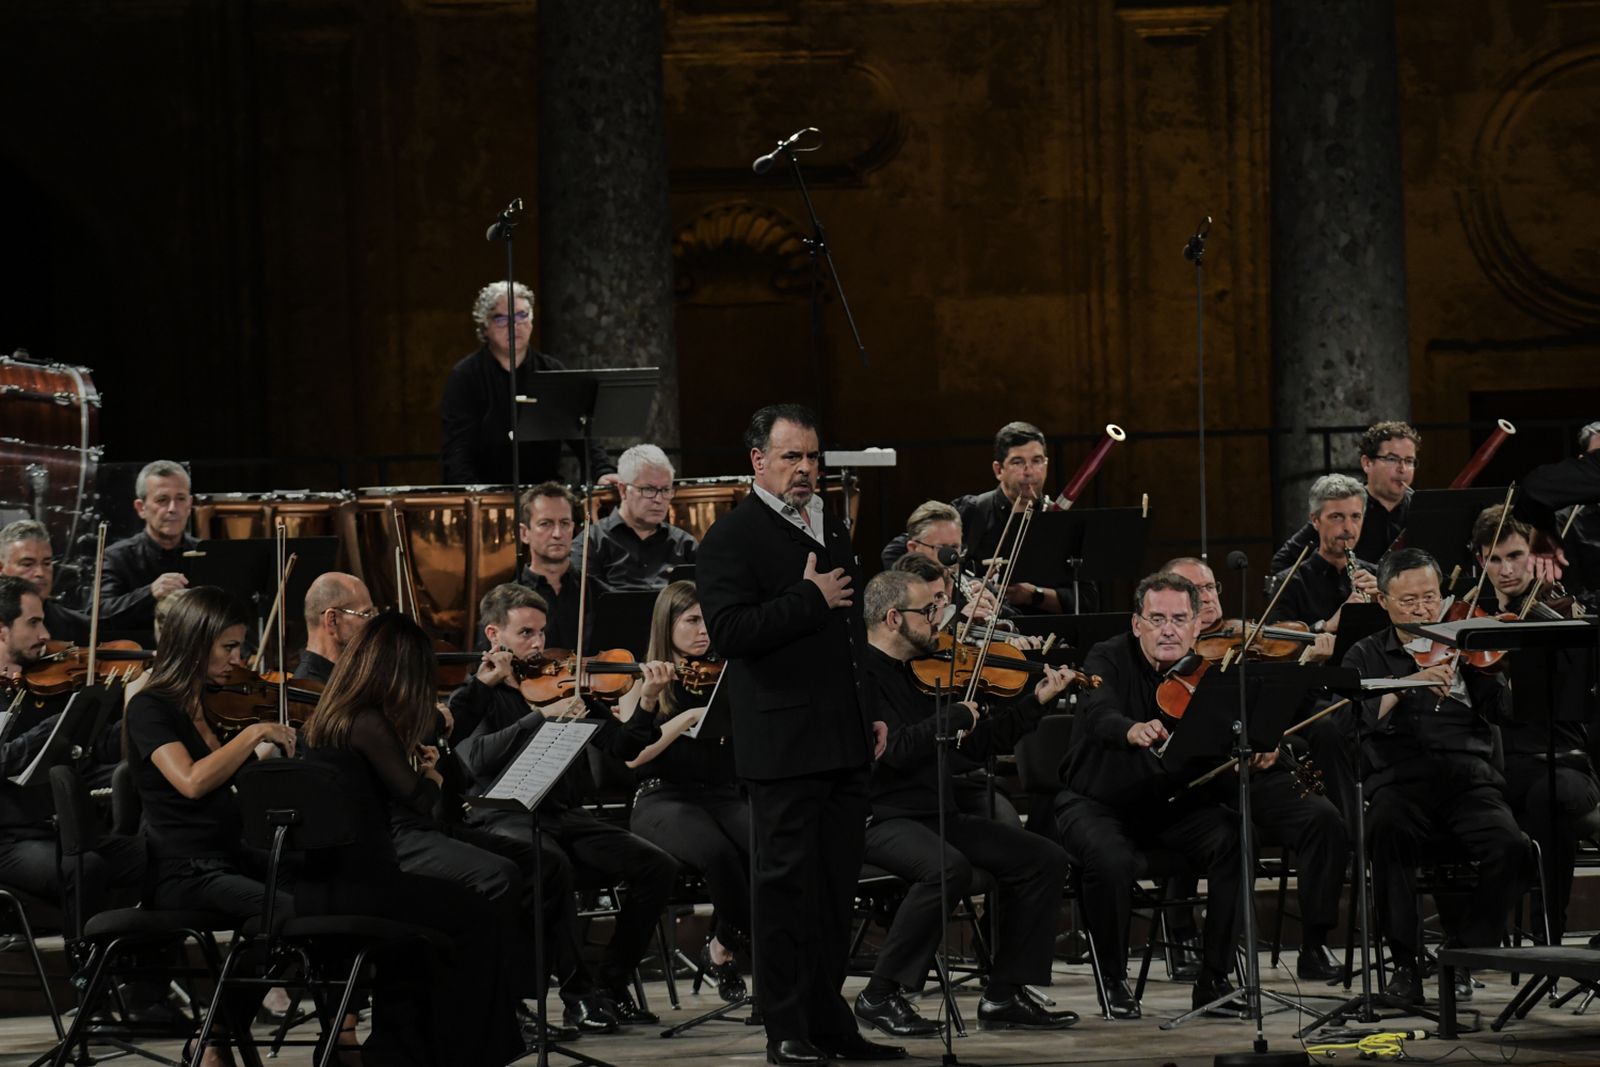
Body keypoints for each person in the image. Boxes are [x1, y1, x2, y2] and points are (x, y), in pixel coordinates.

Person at [696, 403, 900, 1066]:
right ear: (758, 461)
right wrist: (806, 600)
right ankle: (784, 1026)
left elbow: (852, 636)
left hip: (841, 738)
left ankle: (829, 1021)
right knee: (784, 892)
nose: (807, 469)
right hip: (781, 748)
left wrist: (869, 706)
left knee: (836, 889)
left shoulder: (829, 521)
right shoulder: (732, 537)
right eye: (792, 457)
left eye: (813, 457)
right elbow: (727, 634)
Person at [853, 569, 1078, 1037]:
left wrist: (1034, 704)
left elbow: (971, 748)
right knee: (946, 867)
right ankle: (880, 993)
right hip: (878, 817)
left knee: (1043, 858)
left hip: (937, 812)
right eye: (929, 610)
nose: (941, 618)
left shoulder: (923, 669)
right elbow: (887, 753)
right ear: (894, 618)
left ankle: (1004, 994)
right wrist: (951, 715)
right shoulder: (857, 677)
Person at [299, 612, 524, 1067]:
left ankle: (401, 1049)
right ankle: (471, 1052)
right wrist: (432, 773)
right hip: (364, 886)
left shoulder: (328, 719)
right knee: (475, 915)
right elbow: (420, 801)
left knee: (418, 939)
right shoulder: (367, 722)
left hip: (319, 885)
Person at [453, 582, 676, 1029]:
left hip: (564, 815)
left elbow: (622, 747)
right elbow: (472, 757)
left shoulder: (565, 681)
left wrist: (647, 701)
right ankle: (578, 995)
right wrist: (540, 717)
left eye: (542, 632)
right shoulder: (477, 692)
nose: (539, 644)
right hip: (504, 816)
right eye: (526, 634)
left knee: (658, 867)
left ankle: (610, 985)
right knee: (549, 863)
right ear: (494, 635)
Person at [1340, 548, 1528, 1004]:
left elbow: (1507, 712)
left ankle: (1460, 954)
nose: (1423, 609)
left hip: (1469, 779)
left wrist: (1502, 671)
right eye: (1408, 601)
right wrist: (1407, 684)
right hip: (1399, 781)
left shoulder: (1467, 641)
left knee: (1513, 848)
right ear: (1383, 601)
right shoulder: (1366, 653)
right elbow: (1352, 726)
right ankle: (1405, 965)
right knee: (1386, 832)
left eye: (1430, 597)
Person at [122, 585, 298, 1066]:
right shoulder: (150, 707)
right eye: (228, 647)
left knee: (324, 888)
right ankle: (217, 1032)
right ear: (196, 643)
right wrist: (253, 734)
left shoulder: (212, 704)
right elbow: (193, 781)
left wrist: (273, 748)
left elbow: (228, 777)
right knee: (283, 909)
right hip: (181, 870)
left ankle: (224, 1030)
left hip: (226, 855)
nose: (237, 659)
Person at [1053, 571, 1241, 1020]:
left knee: (1235, 835)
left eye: (1179, 618)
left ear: (1198, 624)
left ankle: (1214, 977)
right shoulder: (1107, 657)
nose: (1168, 629)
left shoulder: (1208, 675)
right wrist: (1130, 728)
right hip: (1096, 803)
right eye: (1156, 618)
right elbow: (1099, 712)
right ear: (1137, 624)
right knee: (1111, 859)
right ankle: (1113, 979)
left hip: (1167, 806)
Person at [1160, 557, 1350, 979]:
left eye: (1210, 588)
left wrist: (1274, 727)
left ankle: (1315, 944)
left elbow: (1295, 707)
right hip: (1201, 781)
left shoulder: (1251, 641)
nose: (1207, 597)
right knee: (1200, 828)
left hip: (1263, 773)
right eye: (1194, 590)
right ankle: (1182, 933)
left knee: (1325, 819)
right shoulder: (1166, 648)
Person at [1468, 506, 1600, 942]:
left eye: (1515, 556)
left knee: (1549, 795)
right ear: (1480, 562)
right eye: (1494, 559)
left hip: (1568, 763)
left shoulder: (1561, 614)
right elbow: (1489, 710)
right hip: (1508, 766)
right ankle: (1482, 939)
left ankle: (1549, 930)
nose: (1506, 570)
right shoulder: (1474, 625)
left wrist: (1550, 624)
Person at [619, 580, 750, 1003]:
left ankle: (721, 946)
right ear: (667, 624)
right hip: (663, 798)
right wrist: (688, 716)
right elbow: (633, 757)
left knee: (770, 844)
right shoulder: (641, 681)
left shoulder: (725, 673)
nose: (704, 630)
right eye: (692, 620)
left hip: (723, 794)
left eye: (709, 620)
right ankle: (730, 948)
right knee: (718, 854)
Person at [0, 577, 146, 934]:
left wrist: (136, 713)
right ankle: (88, 975)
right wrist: (55, 726)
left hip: (60, 830)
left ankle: (145, 980)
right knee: (85, 867)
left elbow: (89, 756)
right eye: (33, 622)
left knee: (156, 855)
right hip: (8, 840)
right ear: (2, 631)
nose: (45, 633)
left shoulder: (42, 686)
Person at [439, 280, 618, 486]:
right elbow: (457, 449)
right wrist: (473, 496)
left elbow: (579, 429)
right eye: (501, 318)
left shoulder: (551, 370)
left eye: (521, 315)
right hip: (486, 492)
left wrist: (602, 469)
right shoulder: (464, 376)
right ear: (484, 326)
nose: (514, 325)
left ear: (531, 321)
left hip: (545, 491)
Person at [952, 422, 1089, 614]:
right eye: (1018, 462)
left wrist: (1032, 594)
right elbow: (924, 562)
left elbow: (1085, 602)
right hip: (983, 638)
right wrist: (977, 585)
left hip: (1052, 636)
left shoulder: (1062, 521)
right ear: (998, 470)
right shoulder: (969, 511)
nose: (1029, 471)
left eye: (1037, 461)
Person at [1271, 421, 1419, 571]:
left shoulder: (1423, 509)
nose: (1403, 469)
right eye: (1392, 459)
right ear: (1367, 463)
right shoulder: (1344, 505)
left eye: (1409, 461)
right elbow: (1283, 563)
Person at [1266, 473, 1380, 634]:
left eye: (1355, 516)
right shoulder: (1289, 583)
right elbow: (1275, 643)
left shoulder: (1379, 576)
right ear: (1315, 520)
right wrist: (1326, 626)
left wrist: (1386, 604)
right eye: (1336, 517)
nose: (1348, 527)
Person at [0, 519, 141, 643]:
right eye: (27, 564)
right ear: (1, 568)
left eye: (47, 563)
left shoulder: (79, 627)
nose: (40, 573)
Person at [582, 443, 697, 591]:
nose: (658, 499)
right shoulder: (591, 542)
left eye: (666, 490)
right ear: (623, 490)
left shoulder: (686, 545)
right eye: (648, 489)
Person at [100, 460, 198, 631]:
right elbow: (98, 615)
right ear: (141, 508)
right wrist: (150, 593)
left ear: (189, 504)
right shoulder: (116, 557)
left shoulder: (204, 552)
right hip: (138, 655)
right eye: (162, 500)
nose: (173, 508)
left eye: (180, 499)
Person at [514, 482, 598, 651]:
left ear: (573, 529)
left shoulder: (598, 594)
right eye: (546, 524)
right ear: (524, 533)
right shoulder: (506, 602)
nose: (558, 534)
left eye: (565, 523)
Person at [293, 572, 378, 685]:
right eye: (366, 614)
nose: (373, 622)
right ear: (332, 620)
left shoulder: (342, 677)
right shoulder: (310, 687)